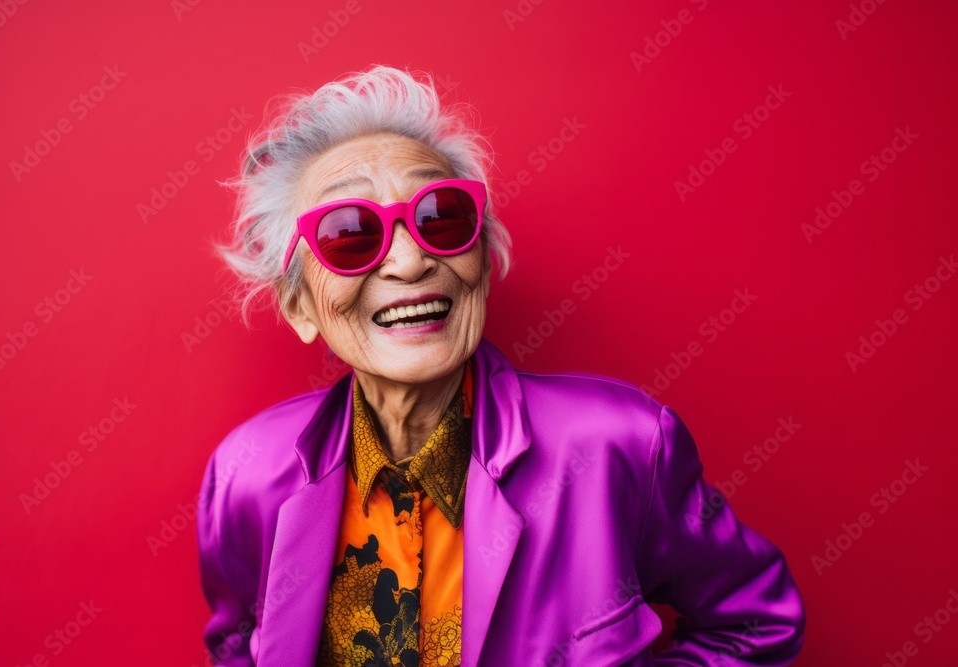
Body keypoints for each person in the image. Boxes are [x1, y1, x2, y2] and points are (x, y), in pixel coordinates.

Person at [197, 64, 805, 667]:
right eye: (351, 235)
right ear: (301, 304)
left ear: (483, 263)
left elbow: (754, 623)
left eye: (440, 218)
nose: (409, 263)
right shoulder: (248, 477)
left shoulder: (621, 446)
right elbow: (238, 648)